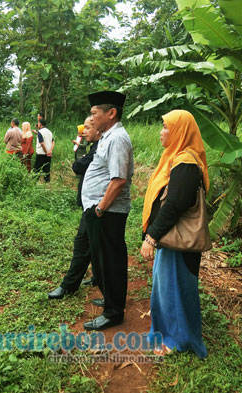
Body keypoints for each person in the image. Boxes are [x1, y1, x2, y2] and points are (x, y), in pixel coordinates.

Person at [140, 109, 209, 358]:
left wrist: (152, 237)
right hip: (171, 238)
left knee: (175, 290)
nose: (162, 131)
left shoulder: (186, 163)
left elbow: (175, 204)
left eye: (166, 127)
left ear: (181, 131)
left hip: (177, 240)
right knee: (168, 288)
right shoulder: (176, 158)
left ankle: (177, 340)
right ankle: (170, 332)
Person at [81, 90, 134, 331]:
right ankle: (111, 298)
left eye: (94, 113)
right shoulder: (106, 136)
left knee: (111, 260)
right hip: (100, 210)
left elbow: (118, 180)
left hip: (108, 212)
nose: (91, 118)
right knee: (102, 259)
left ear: (111, 113)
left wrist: (100, 209)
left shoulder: (118, 138)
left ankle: (114, 312)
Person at [48, 117, 100, 300]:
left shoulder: (100, 147)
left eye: (87, 127)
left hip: (98, 205)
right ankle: (98, 277)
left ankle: (69, 285)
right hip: (92, 203)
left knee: (82, 243)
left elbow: (78, 166)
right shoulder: (93, 146)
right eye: (83, 128)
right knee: (94, 243)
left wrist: (81, 155)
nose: (84, 131)